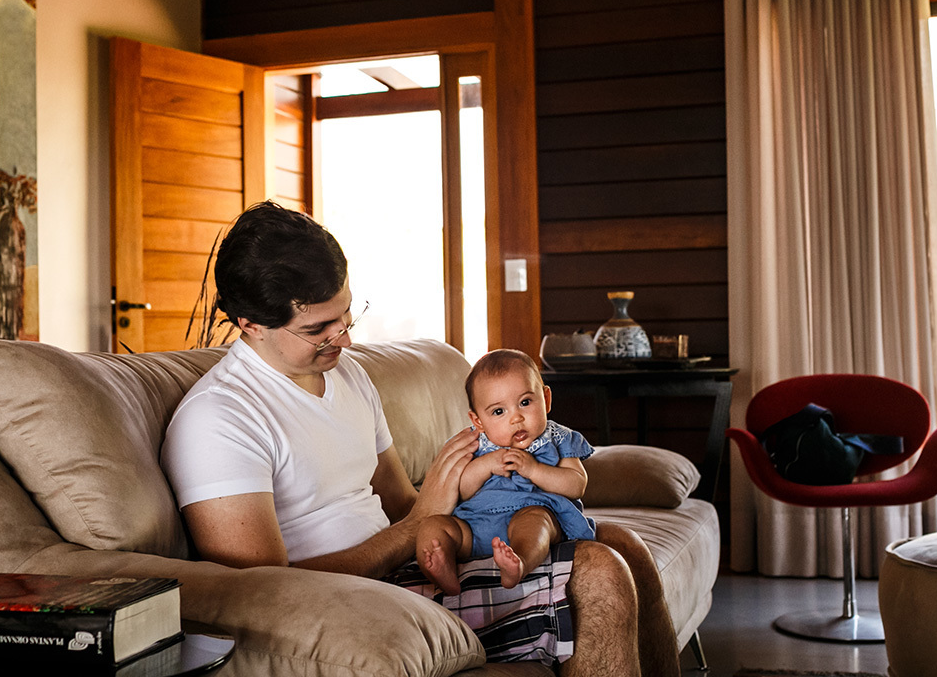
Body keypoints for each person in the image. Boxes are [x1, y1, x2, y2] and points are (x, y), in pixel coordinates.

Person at [161, 201, 680, 676]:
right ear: (250, 325)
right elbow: (265, 591)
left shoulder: (348, 376)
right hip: (350, 605)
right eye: (320, 328)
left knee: (622, 544)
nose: (345, 338)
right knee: (597, 571)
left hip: (410, 569)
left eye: (346, 314)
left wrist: (458, 509)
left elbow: (401, 504)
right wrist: (419, 524)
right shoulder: (218, 421)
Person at [417, 349, 597, 595]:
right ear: (478, 420)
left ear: (546, 399)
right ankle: (443, 570)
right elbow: (461, 490)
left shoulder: (558, 437)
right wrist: (485, 464)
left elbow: (576, 485)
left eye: (525, 402)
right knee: (433, 527)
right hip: (473, 526)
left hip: (532, 512)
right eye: (499, 412)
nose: (517, 418)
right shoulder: (474, 443)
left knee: (536, 522)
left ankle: (519, 562)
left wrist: (534, 469)